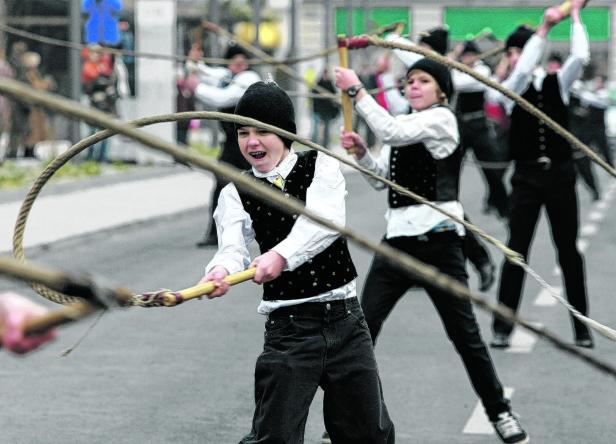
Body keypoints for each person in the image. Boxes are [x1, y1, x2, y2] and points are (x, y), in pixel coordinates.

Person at [334, 58, 528, 444]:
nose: (414, 86)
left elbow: (388, 129)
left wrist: (357, 90)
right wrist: (362, 156)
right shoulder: (407, 124)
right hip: (397, 245)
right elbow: (385, 184)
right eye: (409, 82)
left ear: (441, 90)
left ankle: (500, 412)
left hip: (440, 245)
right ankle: (349, 418)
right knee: (362, 332)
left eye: (424, 81)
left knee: (465, 336)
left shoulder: (441, 120)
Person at [200, 81, 395, 443]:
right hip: (289, 330)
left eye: (263, 132)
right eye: (243, 133)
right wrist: (220, 271)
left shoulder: (321, 167)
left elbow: (324, 222)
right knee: (274, 437)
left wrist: (280, 255)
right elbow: (231, 247)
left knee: (370, 435)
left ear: (284, 132)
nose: (252, 142)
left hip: (347, 323)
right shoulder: (234, 192)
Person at [486, 0, 593, 349]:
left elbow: (580, 59)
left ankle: (582, 326)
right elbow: (520, 73)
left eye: (521, 50)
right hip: (527, 179)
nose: (517, 57)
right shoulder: (508, 89)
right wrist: (544, 29)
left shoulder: (557, 83)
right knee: (516, 251)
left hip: (560, 177)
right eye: (512, 52)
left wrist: (575, 17)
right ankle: (503, 325)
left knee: (568, 252)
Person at [385, 26, 497, 292]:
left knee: (445, 205)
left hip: (438, 143)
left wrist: (390, 38)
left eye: (424, 46)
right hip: (413, 142)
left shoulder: (439, 68)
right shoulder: (429, 67)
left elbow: (410, 56)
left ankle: (480, 258)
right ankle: (418, 269)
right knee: (412, 204)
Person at [193, 42, 261, 248]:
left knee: (256, 188)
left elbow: (221, 98)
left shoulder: (249, 79)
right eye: (234, 61)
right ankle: (215, 233)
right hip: (232, 144)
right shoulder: (226, 76)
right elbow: (208, 72)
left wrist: (194, 85)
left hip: (252, 143)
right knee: (221, 187)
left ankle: (262, 231)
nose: (239, 64)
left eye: (242, 61)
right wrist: (195, 63)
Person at [451, 40, 510, 219]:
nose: (468, 58)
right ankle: (449, 205)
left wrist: (456, 64)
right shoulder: (456, 69)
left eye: (471, 55)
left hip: (479, 126)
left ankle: (502, 206)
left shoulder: (482, 70)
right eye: (465, 55)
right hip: (461, 126)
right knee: (451, 169)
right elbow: (454, 82)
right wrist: (454, 56)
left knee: (491, 169)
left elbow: (462, 83)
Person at [569, 71, 614, 201]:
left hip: (586, 136)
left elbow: (598, 102)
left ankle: (597, 188)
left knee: (587, 165)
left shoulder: (597, 96)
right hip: (571, 139)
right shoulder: (568, 100)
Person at [82, 44, 117, 163]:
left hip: (106, 103)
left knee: (106, 131)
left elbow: (110, 81)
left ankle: (103, 158)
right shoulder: (88, 66)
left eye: (97, 53)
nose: (95, 55)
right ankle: (90, 157)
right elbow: (90, 82)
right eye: (93, 53)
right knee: (92, 131)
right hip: (95, 102)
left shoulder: (105, 66)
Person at [310, 66, 339, 148]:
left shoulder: (330, 84)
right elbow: (313, 96)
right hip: (318, 110)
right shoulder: (318, 84)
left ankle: (325, 145)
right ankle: (313, 145)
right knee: (315, 129)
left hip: (327, 111)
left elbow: (334, 97)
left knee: (326, 129)